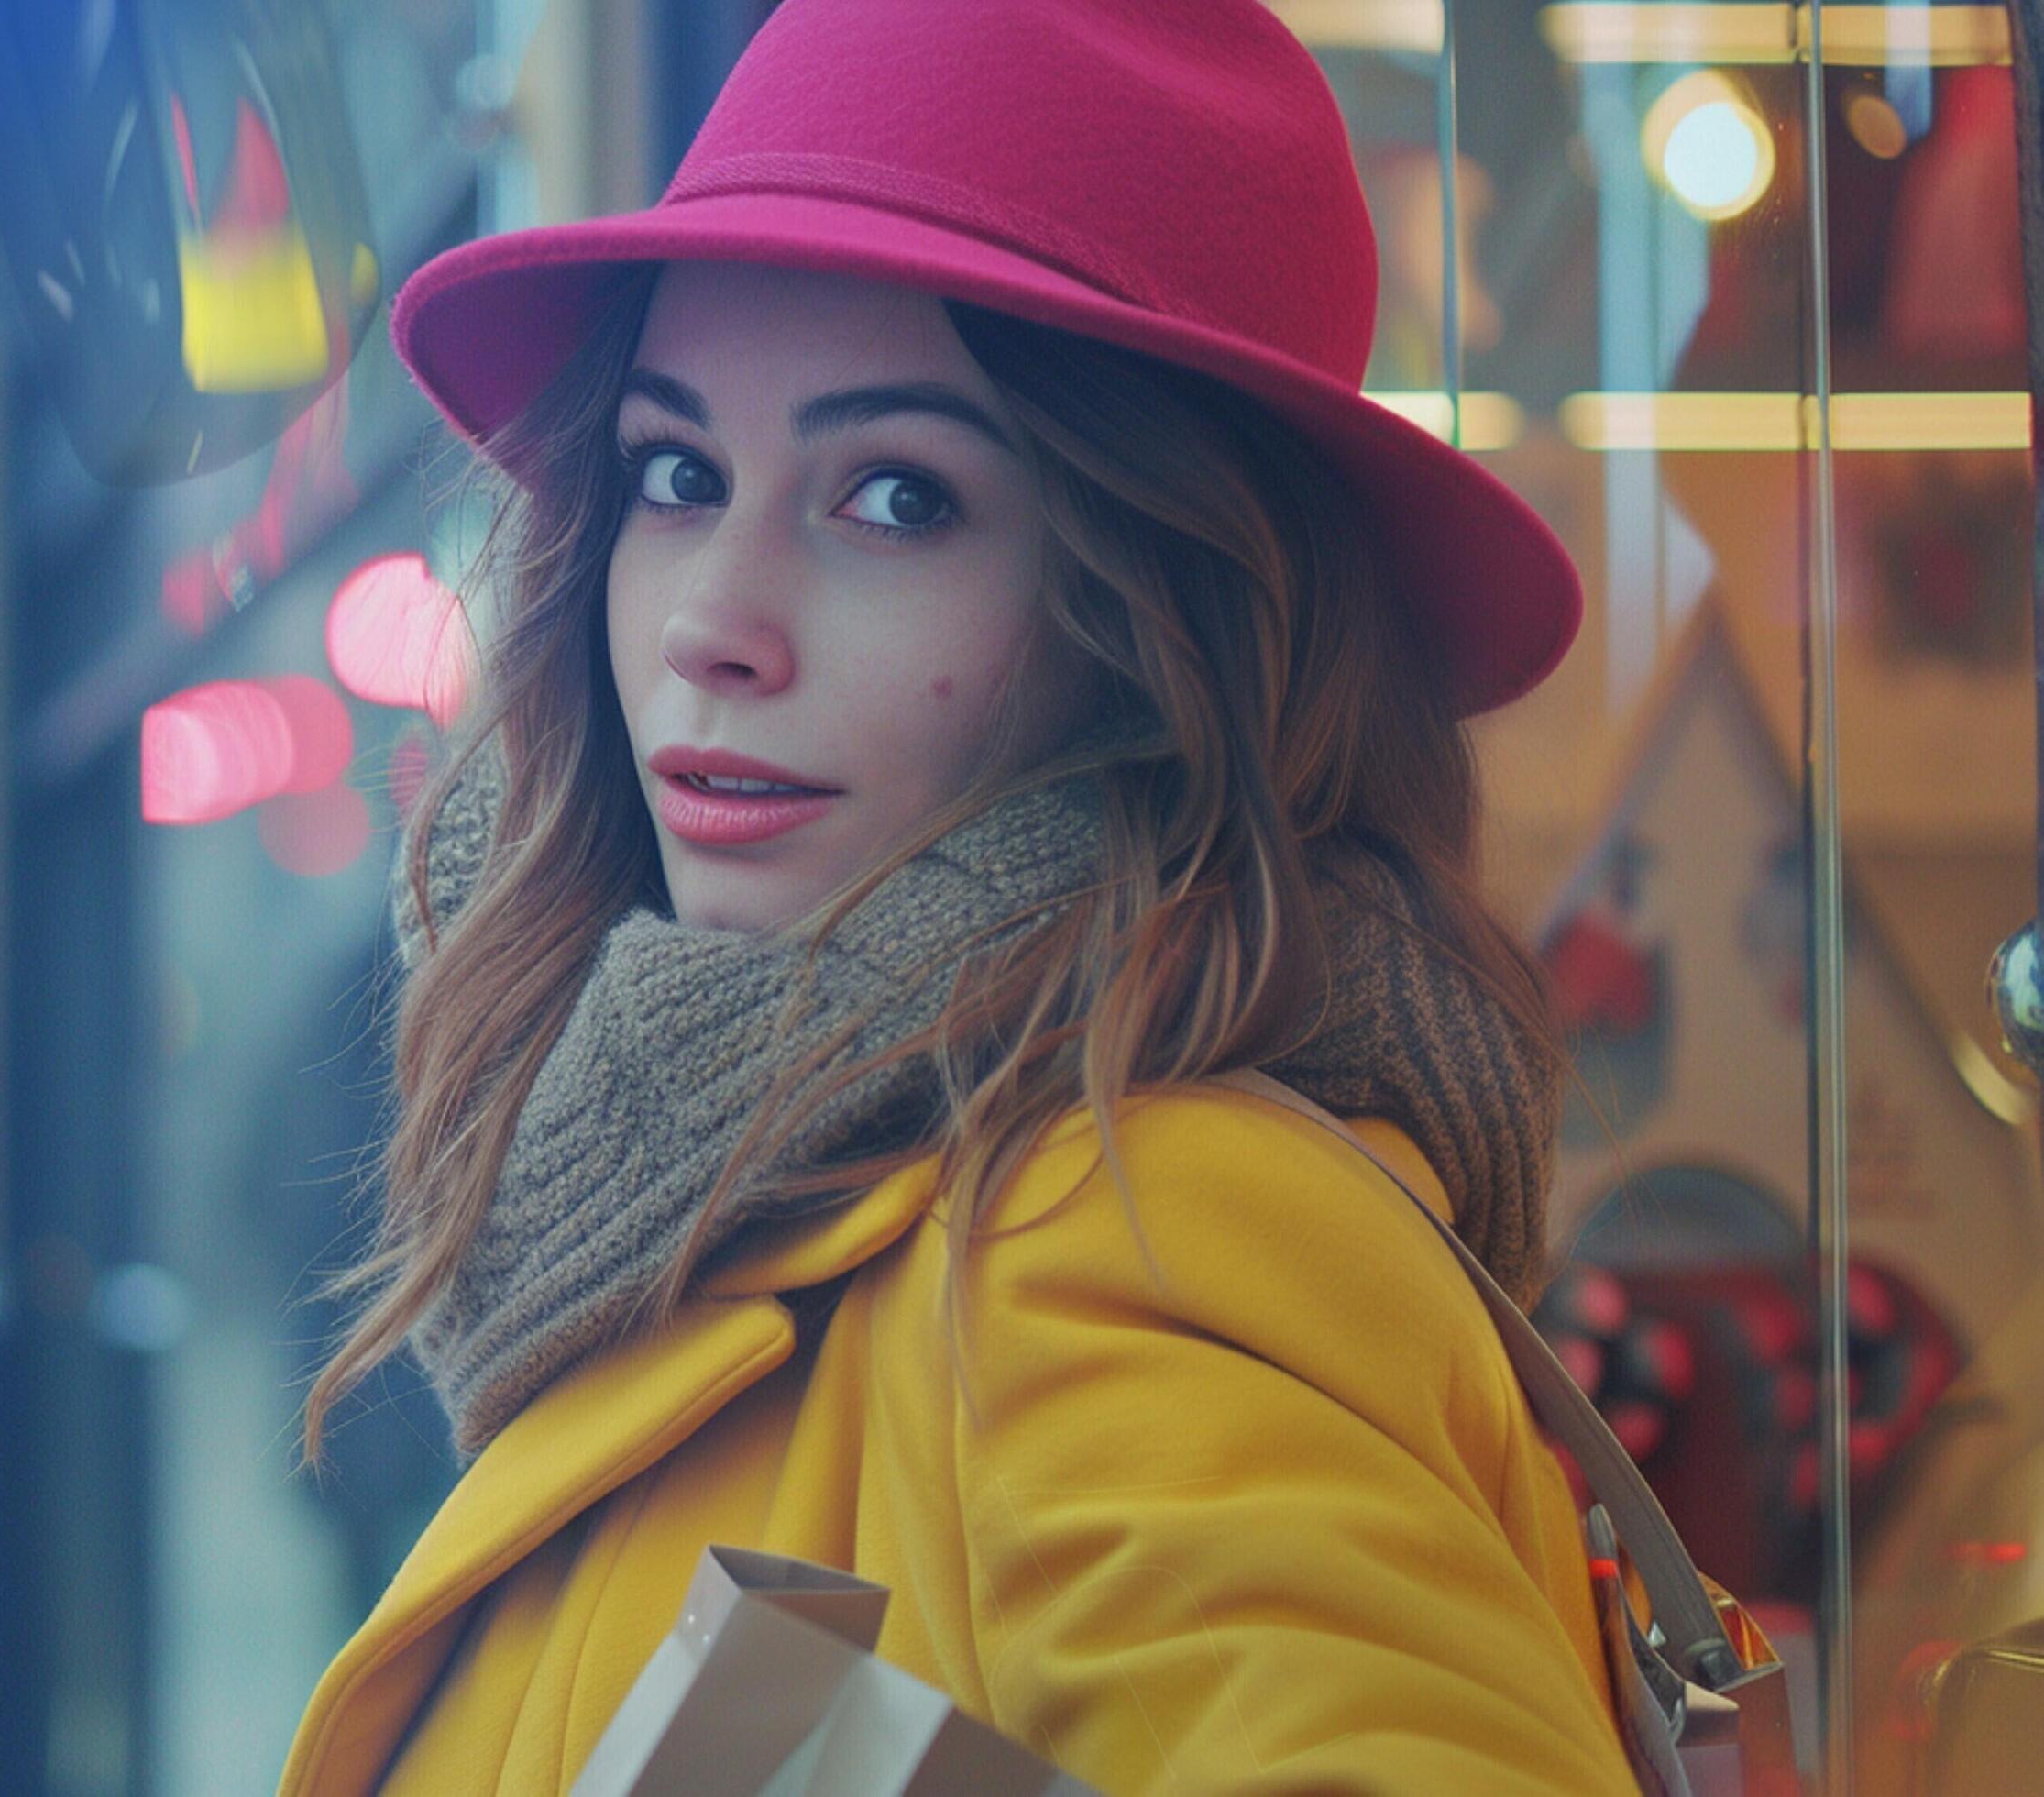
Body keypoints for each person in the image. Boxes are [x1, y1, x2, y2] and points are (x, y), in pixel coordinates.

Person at [280, 2, 1643, 1791]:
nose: (709, 616)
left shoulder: (1116, 1219)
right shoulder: (749, 1188)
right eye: (674, 472)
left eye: (895, 497)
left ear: (1159, 627)